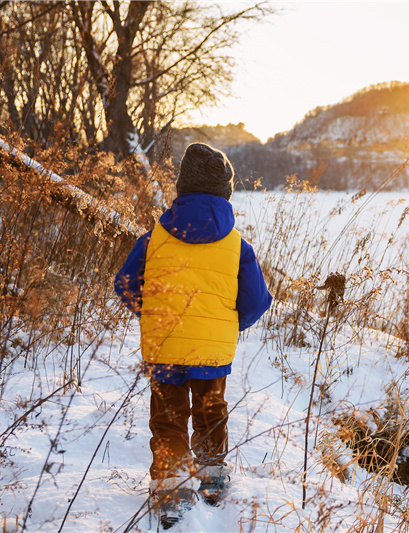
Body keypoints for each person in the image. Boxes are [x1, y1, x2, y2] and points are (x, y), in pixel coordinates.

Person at [114, 143, 272, 526]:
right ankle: (212, 477)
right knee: (210, 411)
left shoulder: (155, 236)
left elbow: (125, 283)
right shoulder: (238, 245)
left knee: (168, 419)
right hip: (211, 351)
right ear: (225, 193)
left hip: (164, 342)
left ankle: (171, 490)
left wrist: (151, 311)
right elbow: (256, 301)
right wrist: (229, 326)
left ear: (182, 189)